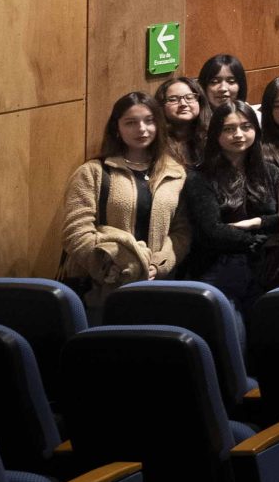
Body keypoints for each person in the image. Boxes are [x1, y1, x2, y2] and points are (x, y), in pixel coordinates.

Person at [61, 92, 189, 315]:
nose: (142, 129)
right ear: (117, 128)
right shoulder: (94, 172)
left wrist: (157, 266)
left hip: (156, 287)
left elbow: (181, 231)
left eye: (149, 121)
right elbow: (76, 231)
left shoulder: (175, 172)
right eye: (131, 123)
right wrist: (118, 269)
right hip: (101, 288)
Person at [179, 101, 279, 309]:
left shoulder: (270, 171)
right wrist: (260, 240)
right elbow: (211, 231)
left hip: (267, 271)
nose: (238, 134)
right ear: (216, 134)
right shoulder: (200, 177)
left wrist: (257, 223)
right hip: (218, 270)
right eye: (229, 129)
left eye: (246, 127)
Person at [153, 73, 205, 166]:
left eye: (189, 97)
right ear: (161, 105)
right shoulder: (155, 141)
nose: (183, 104)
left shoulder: (212, 136)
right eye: (173, 99)